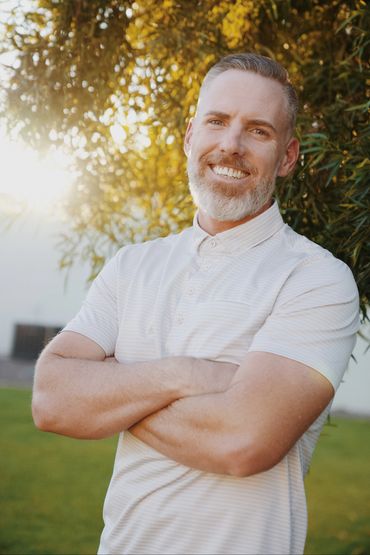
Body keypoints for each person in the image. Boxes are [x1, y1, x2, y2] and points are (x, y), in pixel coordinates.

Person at [32, 53, 360, 555]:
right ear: (190, 135)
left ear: (288, 156)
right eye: (217, 121)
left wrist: (113, 391)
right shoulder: (131, 266)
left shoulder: (316, 279)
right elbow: (51, 399)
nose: (231, 145)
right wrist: (184, 374)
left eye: (258, 131)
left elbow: (243, 442)